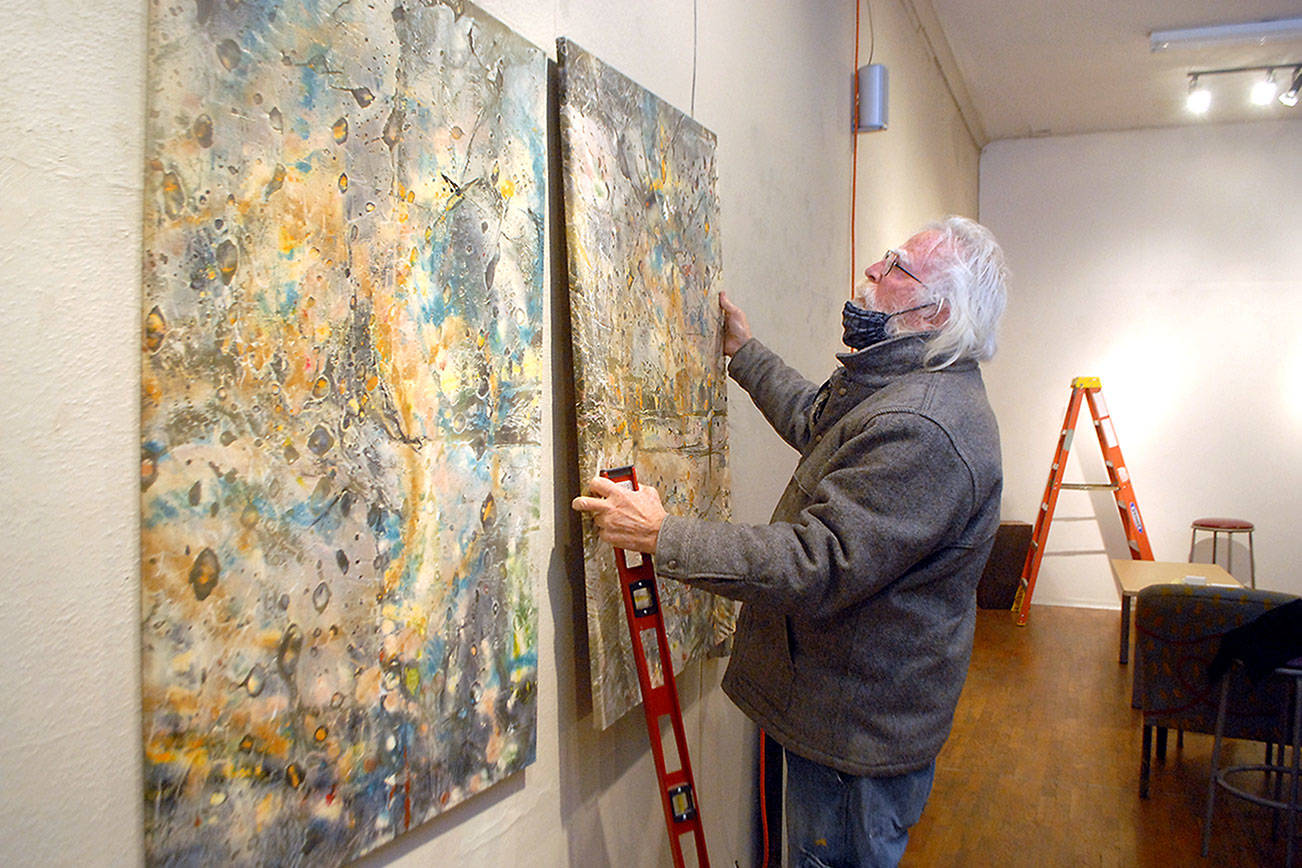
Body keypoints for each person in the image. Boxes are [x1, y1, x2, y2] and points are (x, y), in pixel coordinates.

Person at [572, 215, 1008, 867]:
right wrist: (744, 354)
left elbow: (815, 562)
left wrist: (665, 536)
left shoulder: (925, 426)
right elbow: (819, 421)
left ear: (933, 310)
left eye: (896, 266)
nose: (873, 271)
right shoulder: (904, 387)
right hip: (839, 713)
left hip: (852, 742)